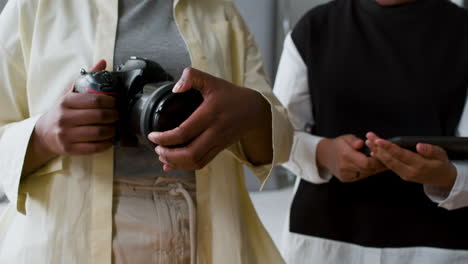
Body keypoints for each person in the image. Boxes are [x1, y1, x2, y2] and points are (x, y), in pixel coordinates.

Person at [0, 0, 293, 263]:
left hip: (206, 233)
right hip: (70, 242)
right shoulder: (34, 7)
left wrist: (252, 111)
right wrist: (41, 136)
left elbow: (277, 146)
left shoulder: (217, 9)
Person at [274, 0, 468, 263]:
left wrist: (447, 177)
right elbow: (277, 134)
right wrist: (324, 153)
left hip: (437, 245)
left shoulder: (460, 30)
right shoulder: (314, 28)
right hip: (324, 240)